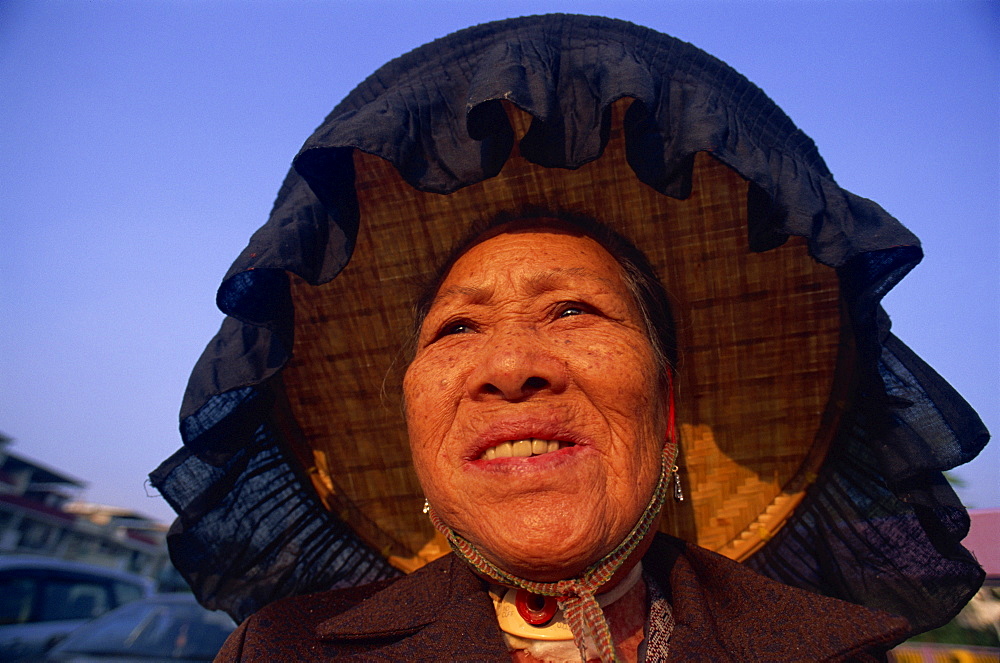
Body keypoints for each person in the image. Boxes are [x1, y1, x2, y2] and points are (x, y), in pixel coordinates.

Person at [149, 14, 988, 662]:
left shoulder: (829, 651)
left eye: (574, 312)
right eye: (458, 326)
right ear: (413, 427)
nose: (510, 367)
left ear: (664, 406)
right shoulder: (283, 652)